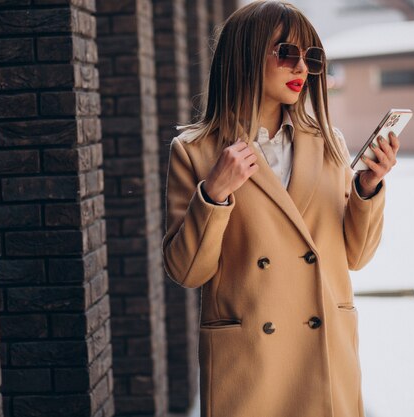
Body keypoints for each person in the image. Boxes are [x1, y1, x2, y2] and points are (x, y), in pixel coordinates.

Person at [161, 2, 400, 416]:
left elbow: (357, 257)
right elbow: (187, 271)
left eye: (312, 58)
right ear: (246, 55)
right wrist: (214, 194)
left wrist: (367, 188)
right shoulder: (195, 151)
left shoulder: (329, 144)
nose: (301, 68)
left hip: (324, 353)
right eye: (287, 53)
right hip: (251, 363)